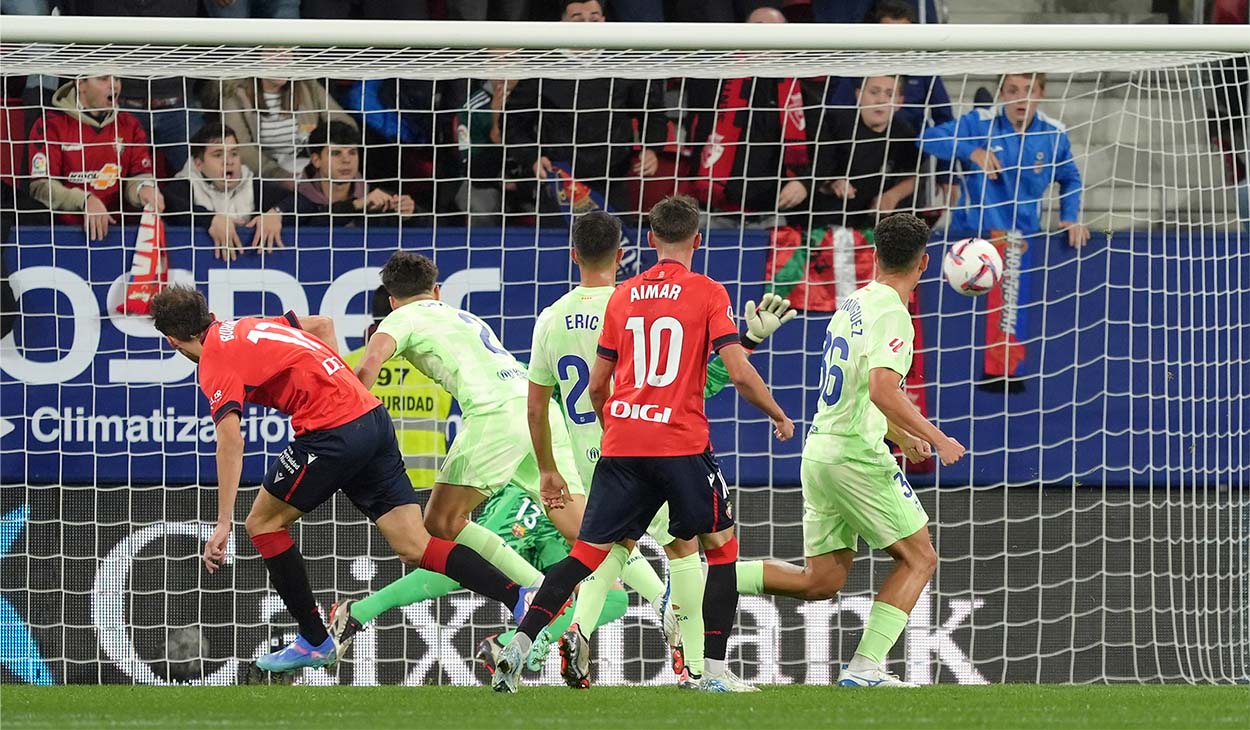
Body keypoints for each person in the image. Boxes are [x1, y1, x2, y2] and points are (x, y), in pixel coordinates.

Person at [491, 195, 795, 694]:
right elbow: (727, 375)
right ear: (696, 240)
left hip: (616, 447)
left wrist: (614, 428)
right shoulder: (707, 291)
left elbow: (593, 385)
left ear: (651, 241)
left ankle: (525, 642)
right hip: (677, 442)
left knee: (591, 554)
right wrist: (777, 412)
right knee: (712, 550)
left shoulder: (619, 299)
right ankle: (706, 670)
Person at [148, 287, 527, 674]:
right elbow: (322, 324)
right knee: (415, 545)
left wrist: (223, 520)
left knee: (261, 522)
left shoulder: (214, 359)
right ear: (208, 314)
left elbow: (231, 439)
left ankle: (315, 640)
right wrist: (341, 387)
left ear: (172, 340)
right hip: (371, 417)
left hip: (331, 433)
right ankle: (519, 596)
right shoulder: (245, 326)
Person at [734, 213, 966, 687]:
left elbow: (858, 391)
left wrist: (901, 436)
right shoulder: (894, 312)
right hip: (854, 457)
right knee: (921, 557)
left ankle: (704, 576)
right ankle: (865, 668)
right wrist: (939, 438)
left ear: (874, 255)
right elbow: (883, 389)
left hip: (821, 451)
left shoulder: (854, 302)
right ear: (924, 263)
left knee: (821, 583)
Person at [349, 252, 594, 626]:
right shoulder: (463, 315)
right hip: (537, 412)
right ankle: (661, 593)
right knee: (582, 530)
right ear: (437, 290)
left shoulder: (399, 317)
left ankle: (533, 589)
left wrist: (348, 421)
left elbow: (369, 365)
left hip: (495, 416)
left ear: (392, 300)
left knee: (441, 522)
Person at [918, 72, 1089, 388]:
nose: (1020, 98)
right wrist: (972, 151)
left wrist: (1069, 216)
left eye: (1028, 90)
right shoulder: (979, 123)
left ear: (1041, 95)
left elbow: (1071, 178)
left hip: (1021, 243)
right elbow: (927, 139)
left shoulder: (1054, 134)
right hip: (970, 241)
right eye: (1012, 90)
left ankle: (1004, 376)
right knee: (959, 341)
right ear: (1001, 95)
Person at [505, 0, 670, 227]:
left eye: (594, 18)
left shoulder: (622, 64)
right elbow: (512, 121)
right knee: (558, 257)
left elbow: (652, 110)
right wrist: (531, 156)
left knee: (615, 256)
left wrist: (652, 147)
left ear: (604, 20)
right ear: (563, 22)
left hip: (612, 179)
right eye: (578, 19)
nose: (587, 25)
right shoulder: (542, 67)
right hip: (560, 182)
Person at [689, 7, 815, 224]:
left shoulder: (801, 92)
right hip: (713, 210)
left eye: (775, 32)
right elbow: (697, 136)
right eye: (759, 30)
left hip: (774, 214)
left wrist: (804, 182)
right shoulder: (712, 81)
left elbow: (824, 146)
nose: (766, 38)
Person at [825, 0, 956, 208]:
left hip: (906, 170)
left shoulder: (923, 72)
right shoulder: (855, 70)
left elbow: (944, 120)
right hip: (856, 170)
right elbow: (834, 121)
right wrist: (834, 175)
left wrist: (948, 174)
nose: (895, 42)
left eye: (902, 35)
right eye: (888, 34)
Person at [27, 75, 163, 241]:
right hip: (62, 234)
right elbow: (41, 188)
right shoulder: (50, 125)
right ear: (81, 84)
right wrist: (85, 201)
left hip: (118, 234)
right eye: (104, 79)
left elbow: (139, 176)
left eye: (118, 79)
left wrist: (143, 188)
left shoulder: (129, 124)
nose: (114, 85)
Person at [162, 121, 290, 261]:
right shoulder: (185, 185)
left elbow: (302, 202)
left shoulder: (251, 184)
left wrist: (277, 213)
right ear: (199, 163)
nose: (229, 161)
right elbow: (169, 206)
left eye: (234, 153)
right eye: (218, 155)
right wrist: (210, 220)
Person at [813, 75, 921, 230]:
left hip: (875, 222)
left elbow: (913, 176)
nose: (881, 100)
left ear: (899, 102)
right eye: (874, 92)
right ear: (859, 95)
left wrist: (893, 195)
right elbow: (814, 169)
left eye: (890, 94)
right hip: (828, 217)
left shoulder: (904, 133)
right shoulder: (834, 124)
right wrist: (833, 183)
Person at [220, 78, 357, 189]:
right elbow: (240, 148)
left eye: (287, 53)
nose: (282, 59)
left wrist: (322, 159)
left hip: (309, 168)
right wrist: (279, 176)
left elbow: (345, 124)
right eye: (274, 53)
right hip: (261, 175)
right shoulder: (234, 94)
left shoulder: (308, 85)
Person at [289, 121, 415, 226]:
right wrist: (355, 205)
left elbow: (430, 228)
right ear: (316, 160)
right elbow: (312, 226)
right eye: (336, 153)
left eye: (352, 153)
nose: (346, 160)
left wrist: (411, 213)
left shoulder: (380, 199)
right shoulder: (295, 200)